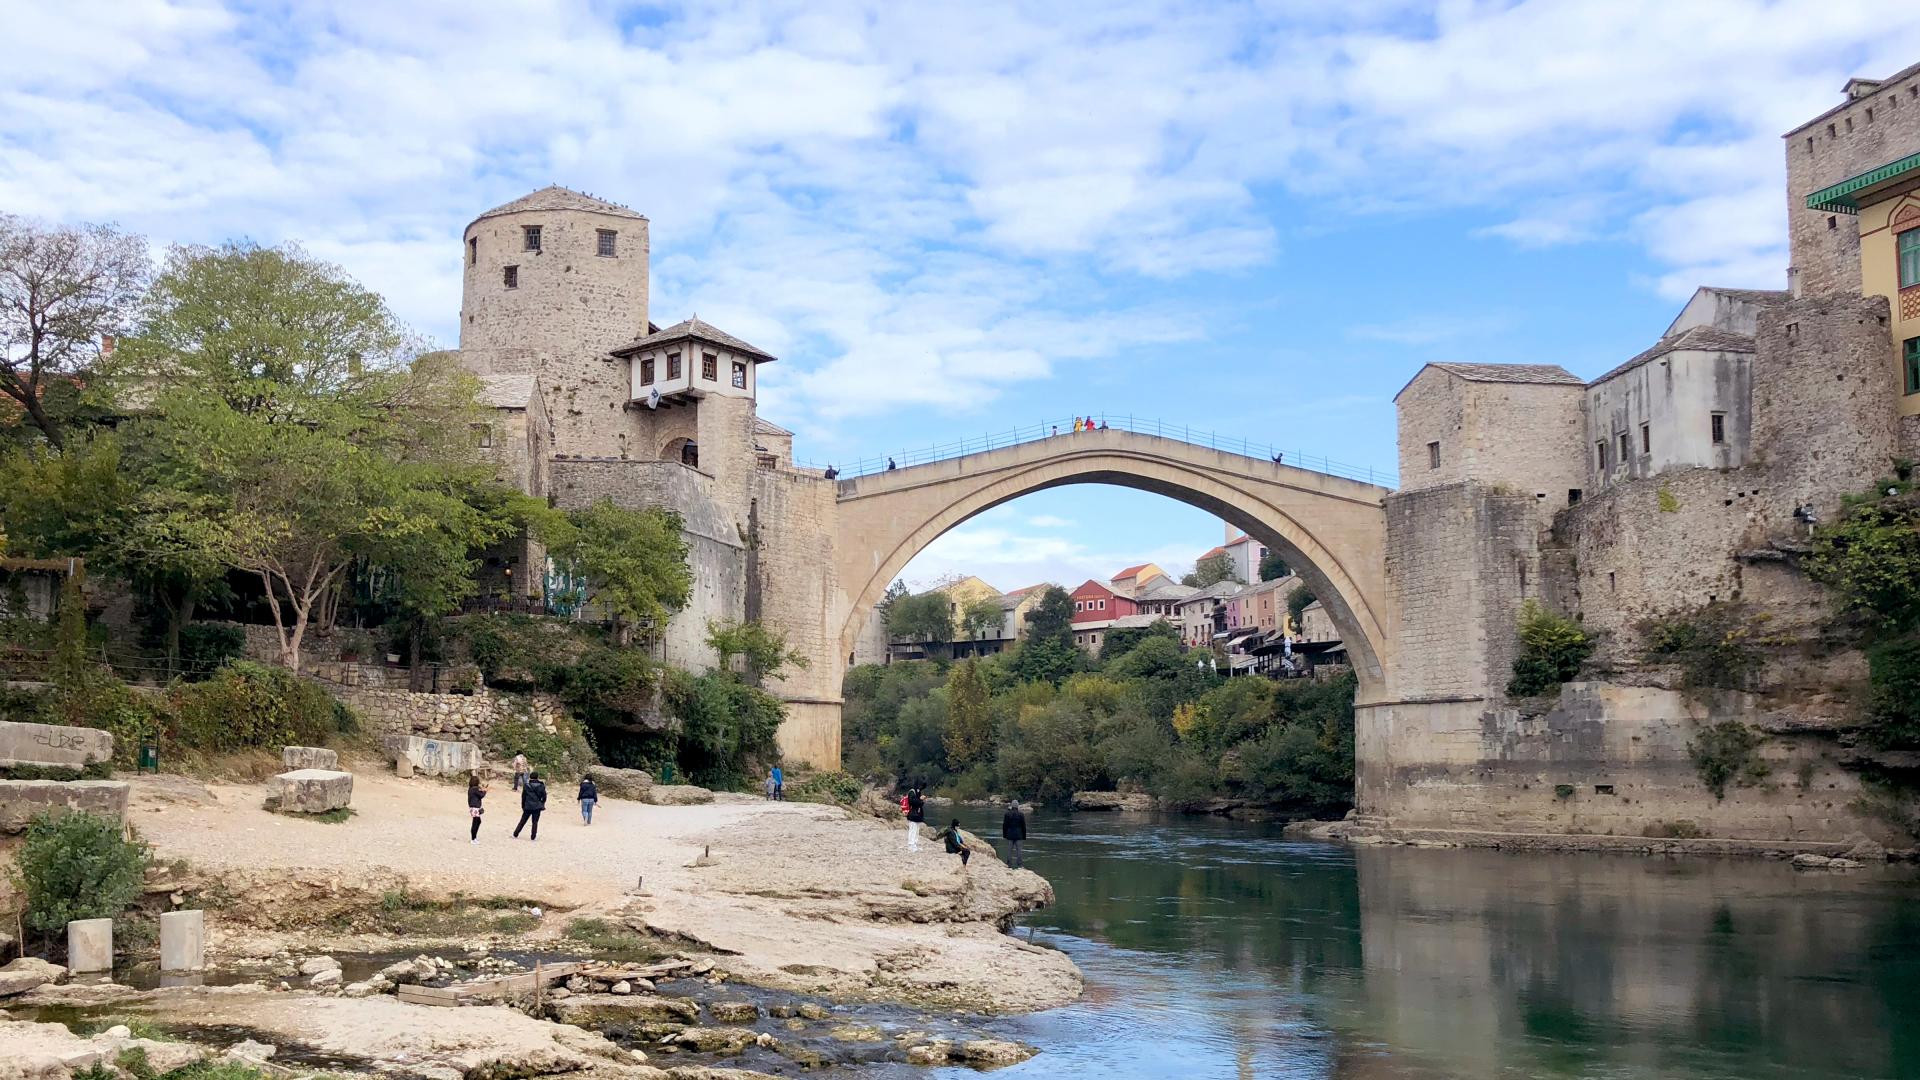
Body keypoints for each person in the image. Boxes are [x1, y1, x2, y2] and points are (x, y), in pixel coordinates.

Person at [513, 771, 548, 841]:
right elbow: (544, 796)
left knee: (523, 821)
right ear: (537, 777)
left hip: (528, 806)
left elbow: (523, 797)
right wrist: (542, 803)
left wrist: (523, 805)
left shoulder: (527, 785)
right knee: (535, 822)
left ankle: (516, 833)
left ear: (530, 777)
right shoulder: (541, 785)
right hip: (537, 806)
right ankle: (533, 836)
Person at [1001, 799, 1028, 869]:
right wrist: (1024, 836)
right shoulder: (1021, 814)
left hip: (1010, 834)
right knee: (1019, 850)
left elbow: (1004, 825)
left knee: (1009, 850)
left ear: (1011, 806)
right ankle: (1019, 865)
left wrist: (1004, 835)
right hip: (1019, 835)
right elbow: (1023, 826)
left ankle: (1009, 864)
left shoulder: (1007, 814)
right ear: (1017, 806)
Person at [467, 773, 488, 845]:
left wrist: (482, 789)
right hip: (475, 808)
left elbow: (478, 794)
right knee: (476, 822)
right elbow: (481, 795)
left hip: (472, 807)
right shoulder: (475, 789)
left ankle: (474, 838)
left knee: (477, 822)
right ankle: (473, 839)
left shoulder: (471, 789)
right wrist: (485, 791)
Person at [904, 786, 925, 851]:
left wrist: (921, 800)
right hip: (912, 814)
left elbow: (919, 803)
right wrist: (920, 799)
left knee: (916, 830)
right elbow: (912, 802)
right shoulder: (912, 792)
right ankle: (910, 845)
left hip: (917, 815)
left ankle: (915, 844)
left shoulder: (917, 791)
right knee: (913, 829)